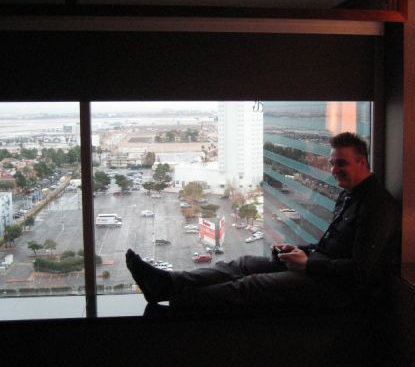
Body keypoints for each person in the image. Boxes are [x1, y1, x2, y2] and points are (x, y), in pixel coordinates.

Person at [126, 132, 400, 312]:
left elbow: (361, 272)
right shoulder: (349, 195)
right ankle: (167, 283)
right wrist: (299, 251)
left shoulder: (377, 206)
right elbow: (332, 247)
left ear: (362, 162)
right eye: (332, 163)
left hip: (339, 290)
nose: (334, 170)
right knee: (243, 264)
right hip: (320, 270)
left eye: (342, 164)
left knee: (252, 286)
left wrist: (308, 263)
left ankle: (178, 303)